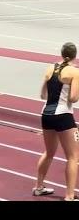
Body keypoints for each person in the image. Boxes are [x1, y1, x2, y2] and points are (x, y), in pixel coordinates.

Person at [33, 42, 79, 201]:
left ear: (61, 53)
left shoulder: (49, 68)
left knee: (49, 152)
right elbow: (73, 98)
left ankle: (38, 187)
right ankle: (69, 195)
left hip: (46, 114)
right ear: (75, 56)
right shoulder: (74, 72)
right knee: (73, 156)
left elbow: (42, 95)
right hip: (63, 116)